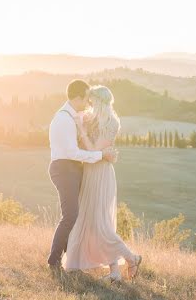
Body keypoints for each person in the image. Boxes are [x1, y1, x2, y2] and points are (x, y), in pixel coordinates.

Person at [64, 85, 142, 281]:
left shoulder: (111, 123)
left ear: (99, 102)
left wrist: (82, 132)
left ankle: (132, 258)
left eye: (92, 101)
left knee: (102, 225)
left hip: (101, 174)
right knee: (92, 223)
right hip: (88, 172)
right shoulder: (91, 119)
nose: (89, 104)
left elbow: (94, 152)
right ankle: (115, 273)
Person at [46, 79, 116, 269]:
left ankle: (72, 259)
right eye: (85, 99)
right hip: (65, 168)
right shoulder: (64, 119)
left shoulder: (72, 116)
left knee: (76, 216)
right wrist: (101, 154)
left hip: (72, 168)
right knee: (70, 216)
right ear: (77, 98)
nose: (87, 104)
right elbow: (72, 153)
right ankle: (54, 260)